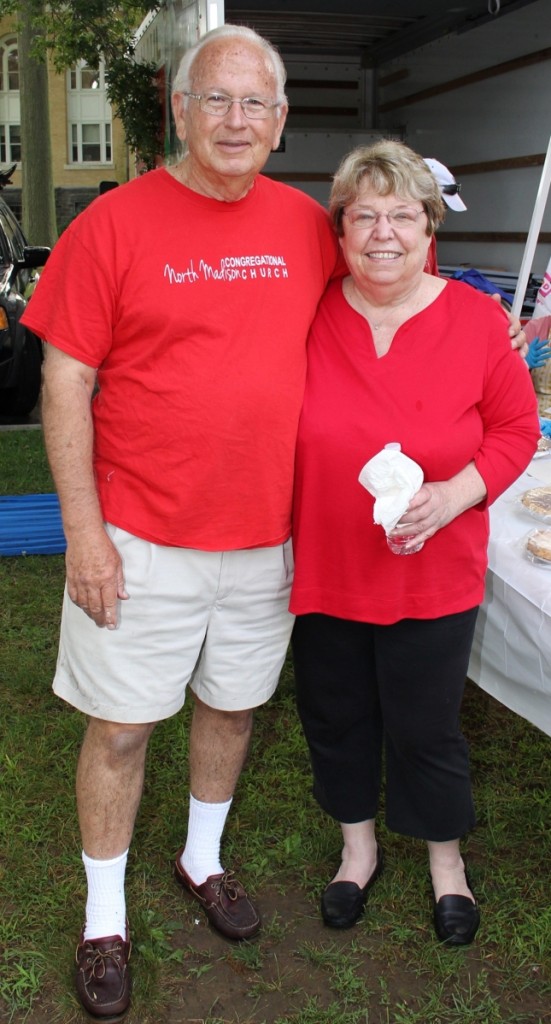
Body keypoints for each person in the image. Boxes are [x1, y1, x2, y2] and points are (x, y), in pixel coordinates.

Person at [20, 24, 341, 1020]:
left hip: (265, 542)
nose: (235, 120)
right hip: (141, 539)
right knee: (120, 729)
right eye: (216, 99)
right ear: (180, 108)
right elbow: (64, 380)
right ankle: (103, 918)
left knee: (232, 709)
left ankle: (200, 859)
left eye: (255, 104)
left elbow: (377, 315)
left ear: (281, 121)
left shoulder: (306, 228)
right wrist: (83, 530)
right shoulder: (112, 226)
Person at [289, 139, 540, 947]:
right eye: (364, 215)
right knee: (335, 712)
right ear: (340, 231)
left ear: (430, 228)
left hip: (434, 566)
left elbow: (512, 428)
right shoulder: (310, 311)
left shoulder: (472, 320)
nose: (383, 233)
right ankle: (355, 850)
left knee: (426, 722)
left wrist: (455, 495)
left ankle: (445, 862)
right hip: (327, 561)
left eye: (403, 214)